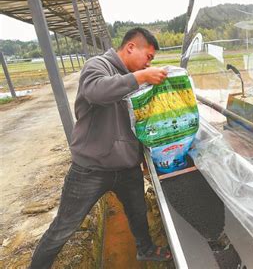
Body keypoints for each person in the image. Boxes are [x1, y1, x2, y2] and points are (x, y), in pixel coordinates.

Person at [30, 27, 172, 268]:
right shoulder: (97, 66)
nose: (149, 63)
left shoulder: (133, 75)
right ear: (130, 47)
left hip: (126, 168)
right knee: (64, 226)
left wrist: (142, 158)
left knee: (138, 214)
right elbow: (97, 92)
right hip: (91, 170)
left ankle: (145, 250)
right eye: (148, 56)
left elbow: (136, 122)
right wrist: (140, 78)